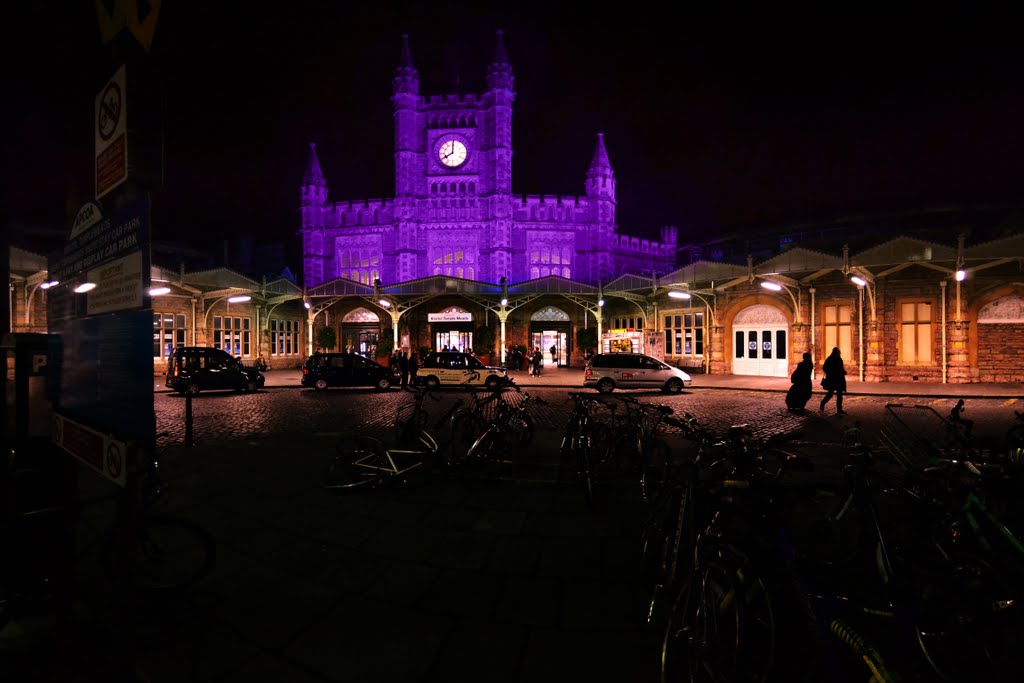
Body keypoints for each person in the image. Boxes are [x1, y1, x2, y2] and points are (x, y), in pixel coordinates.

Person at [819, 347, 847, 415]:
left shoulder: (836, 359)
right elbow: (825, 368)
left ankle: (839, 409)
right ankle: (822, 404)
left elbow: (840, 368)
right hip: (833, 379)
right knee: (831, 394)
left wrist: (843, 372)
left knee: (839, 395)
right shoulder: (831, 359)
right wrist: (831, 373)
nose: (838, 353)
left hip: (837, 379)